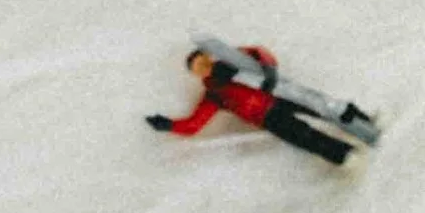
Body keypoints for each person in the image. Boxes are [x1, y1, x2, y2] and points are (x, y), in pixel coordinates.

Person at [147, 44, 374, 168]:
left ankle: (364, 122)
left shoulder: (234, 60)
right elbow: (194, 125)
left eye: (204, 61)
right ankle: (344, 155)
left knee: (321, 106)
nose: (204, 68)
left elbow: (262, 54)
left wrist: (265, 69)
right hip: (267, 116)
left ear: (209, 57)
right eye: (198, 69)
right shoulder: (213, 95)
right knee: (303, 136)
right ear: (197, 75)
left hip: (279, 94)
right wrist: (168, 124)